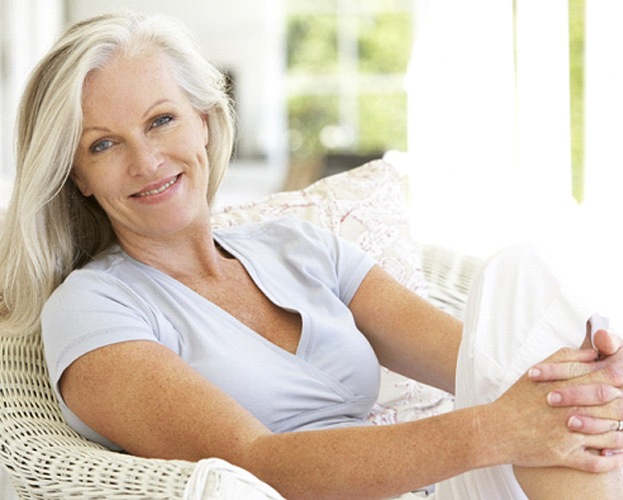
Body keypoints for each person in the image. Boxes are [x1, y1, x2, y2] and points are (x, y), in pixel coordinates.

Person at [0, 11, 622, 499]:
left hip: (441, 489)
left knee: (519, 280)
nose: (147, 161)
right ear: (77, 176)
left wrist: (594, 376)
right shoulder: (90, 307)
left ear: (206, 123)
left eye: (161, 121)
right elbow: (257, 464)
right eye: (104, 144)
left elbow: (490, 366)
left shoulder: (297, 248)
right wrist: (495, 429)